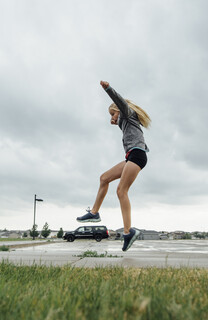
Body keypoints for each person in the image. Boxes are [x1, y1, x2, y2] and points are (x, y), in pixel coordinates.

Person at [76, 81, 151, 251]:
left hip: (138, 155)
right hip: (131, 156)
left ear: (118, 110)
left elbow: (120, 102)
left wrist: (108, 89)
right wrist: (116, 121)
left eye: (112, 114)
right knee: (104, 178)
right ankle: (94, 213)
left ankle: (128, 231)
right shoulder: (125, 123)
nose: (112, 118)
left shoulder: (127, 113)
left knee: (121, 191)